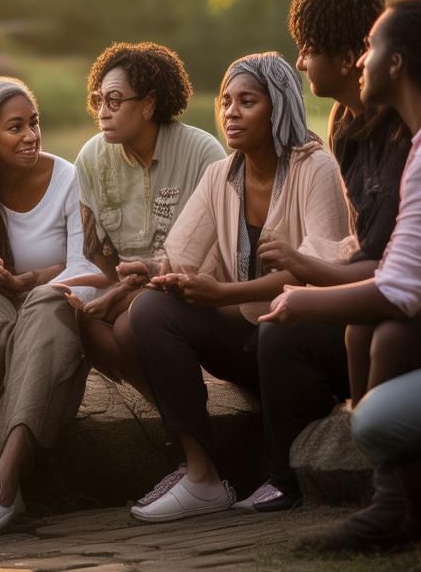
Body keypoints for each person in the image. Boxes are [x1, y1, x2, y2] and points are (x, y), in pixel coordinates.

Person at [263, 0, 421, 551]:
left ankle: (416, 516)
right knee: (381, 334)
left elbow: (402, 289)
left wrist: (301, 299)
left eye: (373, 48)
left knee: (375, 421)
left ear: (398, 63)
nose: (361, 61)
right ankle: (402, 516)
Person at [126, 52, 351, 522]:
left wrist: (225, 294)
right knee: (149, 311)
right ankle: (201, 474)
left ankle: (282, 479)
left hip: (307, 344)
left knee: (279, 322)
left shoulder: (316, 168)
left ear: (279, 107)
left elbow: (319, 269)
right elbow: (179, 257)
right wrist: (148, 272)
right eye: (226, 101)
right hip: (255, 342)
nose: (230, 112)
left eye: (247, 101)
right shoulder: (221, 175)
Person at [237, 0, 412, 512]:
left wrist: (305, 269)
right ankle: (290, 472)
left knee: (288, 323)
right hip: (366, 281)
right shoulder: (343, 124)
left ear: (346, 56)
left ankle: (320, 472)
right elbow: (363, 244)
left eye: (309, 49)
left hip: (402, 297)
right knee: (280, 329)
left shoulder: (406, 130)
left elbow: (393, 263)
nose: (301, 62)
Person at [0, 77, 96, 535]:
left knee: (49, 300)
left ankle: (3, 480)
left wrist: (27, 282)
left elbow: (84, 272)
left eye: (35, 123)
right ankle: (34, 384)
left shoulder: (68, 179)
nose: (30, 136)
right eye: (15, 127)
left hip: (53, 316)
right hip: (5, 323)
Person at [64, 42, 226, 397]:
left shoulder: (203, 153)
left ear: (149, 104)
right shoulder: (91, 158)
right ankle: (168, 408)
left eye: (115, 101)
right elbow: (96, 247)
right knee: (85, 323)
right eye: (98, 100)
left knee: (129, 322)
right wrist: (120, 286)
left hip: (192, 292)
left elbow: (212, 259)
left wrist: (126, 293)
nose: (103, 112)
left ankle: (183, 418)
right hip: (130, 290)